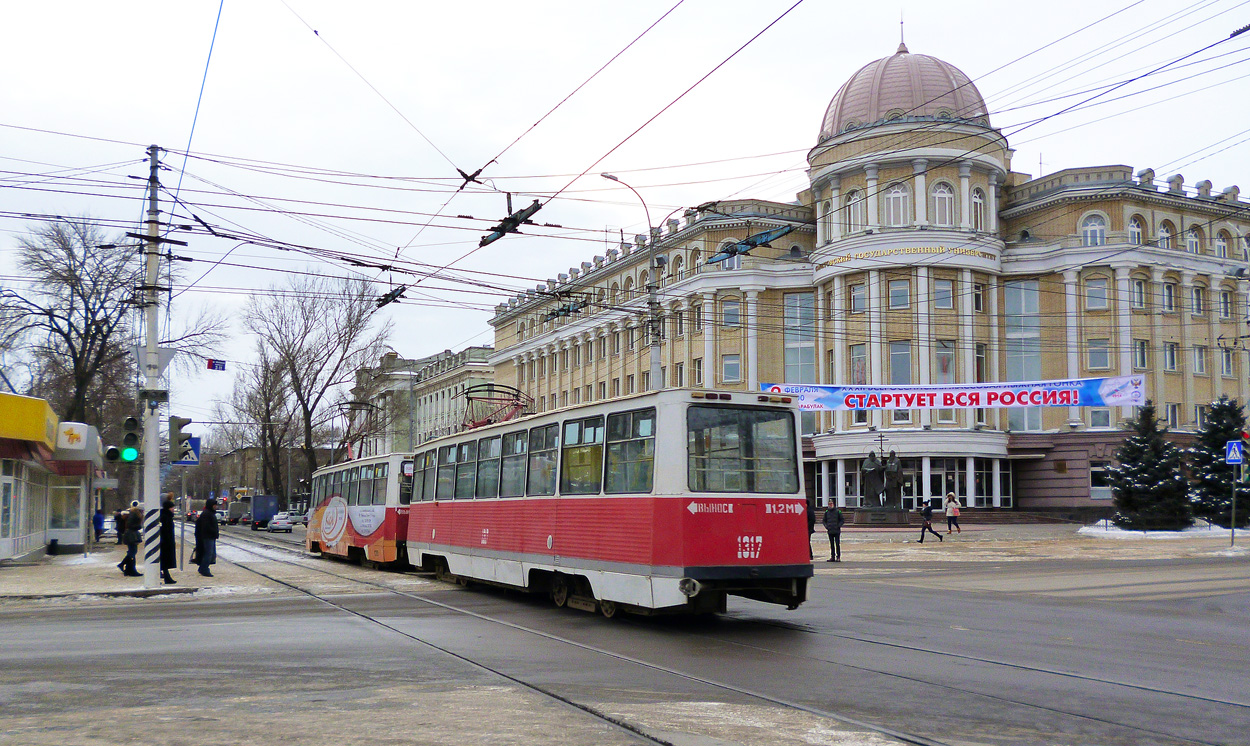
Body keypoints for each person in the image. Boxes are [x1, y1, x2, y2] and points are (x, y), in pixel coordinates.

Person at [194, 498, 219, 578]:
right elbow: (206, 526)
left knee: (209, 553)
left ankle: (203, 568)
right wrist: (214, 532)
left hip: (209, 536)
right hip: (208, 537)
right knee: (208, 553)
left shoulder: (209, 513)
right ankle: (204, 568)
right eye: (214, 505)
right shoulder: (207, 514)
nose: (216, 507)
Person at [117, 501, 143, 577]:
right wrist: (138, 527)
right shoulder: (134, 515)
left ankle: (129, 569)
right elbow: (130, 524)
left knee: (132, 552)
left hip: (131, 534)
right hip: (131, 535)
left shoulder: (133, 514)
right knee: (132, 552)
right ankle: (124, 566)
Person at [159, 499, 177, 584]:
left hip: (166, 541)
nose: (173, 509)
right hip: (165, 542)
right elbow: (165, 530)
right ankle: (166, 577)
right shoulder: (165, 517)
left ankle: (166, 576)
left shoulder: (166, 516)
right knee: (164, 560)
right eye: (172, 507)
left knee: (164, 560)